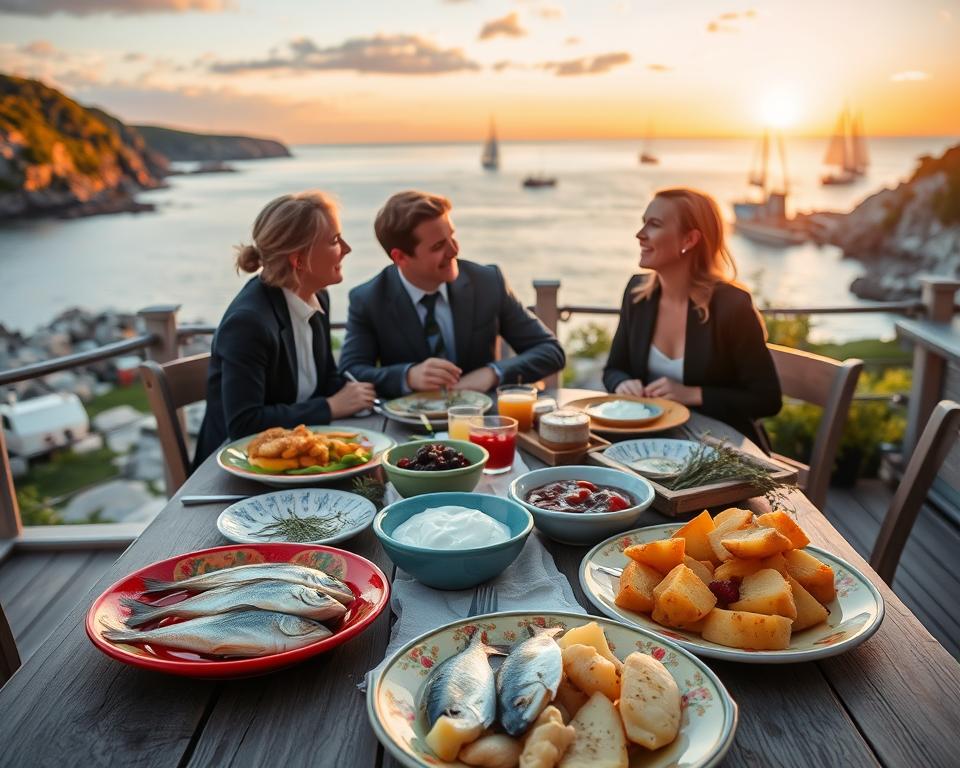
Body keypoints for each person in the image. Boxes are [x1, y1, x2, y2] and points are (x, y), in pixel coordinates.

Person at [193, 191, 375, 466]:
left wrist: (363, 392)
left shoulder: (316, 296)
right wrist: (329, 407)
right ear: (298, 259)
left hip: (297, 460)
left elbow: (325, 380)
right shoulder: (247, 324)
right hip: (235, 471)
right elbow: (244, 424)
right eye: (335, 241)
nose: (346, 249)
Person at [340, 190, 565, 397]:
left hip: (479, 424)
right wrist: (408, 376)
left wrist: (492, 373)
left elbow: (551, 351)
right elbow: (350, 372)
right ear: (400, 257)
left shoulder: (488, 281)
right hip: (404, 428)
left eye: (452, 236)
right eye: (438, 246)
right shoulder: (368, 299)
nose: (454, 250)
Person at [602, 187, 781, 447]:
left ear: (689, 240)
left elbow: (767, 399)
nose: (640, 234)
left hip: (721, 449)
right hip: (652, 442)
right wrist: (622, 384)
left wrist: (693, 394)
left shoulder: (732, 306)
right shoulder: (637, 294)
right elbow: (613, 369)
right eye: (643, 223)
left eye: (654, 225)